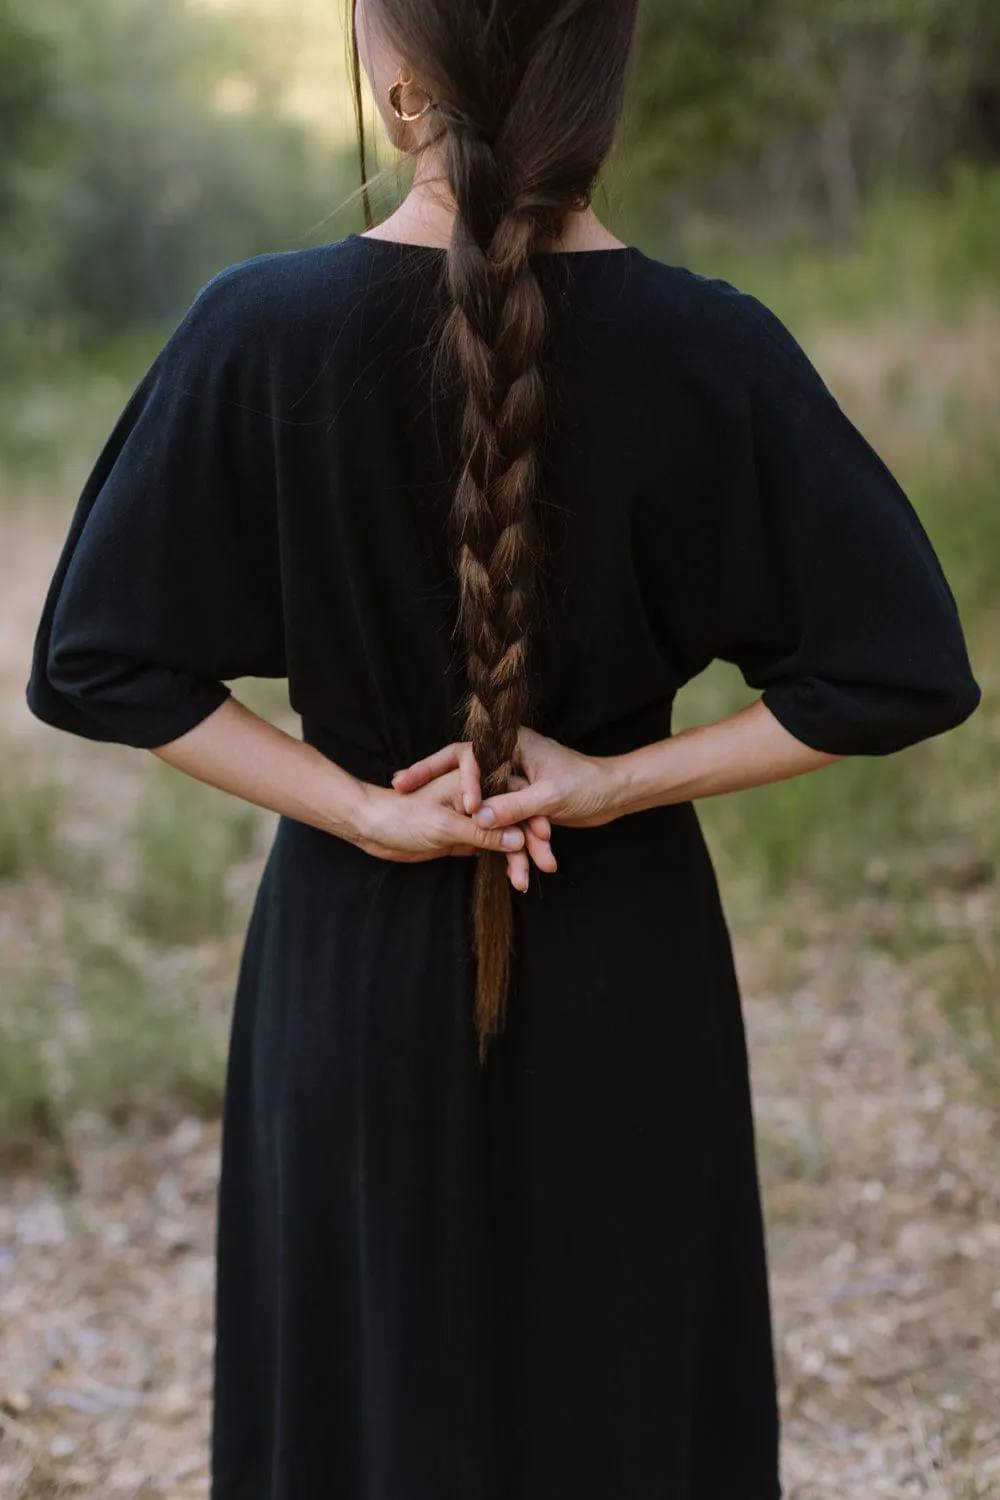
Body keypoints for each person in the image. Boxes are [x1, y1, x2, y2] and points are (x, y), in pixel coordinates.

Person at [25, 1, 982, 1496]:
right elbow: (898, 668)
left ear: (397, 77)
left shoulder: (254, 329)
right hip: (624, 949)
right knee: (624, 1395)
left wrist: (364, 810)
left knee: (363, 1406)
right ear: (605, 78)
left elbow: (97, 660)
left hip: (353, 961)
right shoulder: (717, 349)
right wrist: (611, 783)